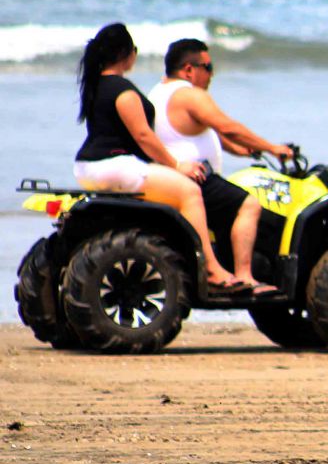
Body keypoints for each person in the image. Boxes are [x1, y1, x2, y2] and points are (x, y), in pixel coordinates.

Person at [72, 23, 243, 290]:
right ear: (126, 54)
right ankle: (211, 268)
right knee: (189, 192)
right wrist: (177, 165)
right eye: (135, 51)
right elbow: (143, 136)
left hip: (86, 167)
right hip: (115, 166)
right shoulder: (123, 90)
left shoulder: (96, 86)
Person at [148, 38, 295, 294]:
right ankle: (245, 277)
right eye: (208, 66)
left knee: (230, 208)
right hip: (195, 178)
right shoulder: (189, 94)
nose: (211, 74)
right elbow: (227, 126)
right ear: (189, 69)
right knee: (248, 204)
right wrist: (273, 148)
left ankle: (226, 268)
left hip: (170, 177)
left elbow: (194, 132)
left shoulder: (158, 93)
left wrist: (241, 149)